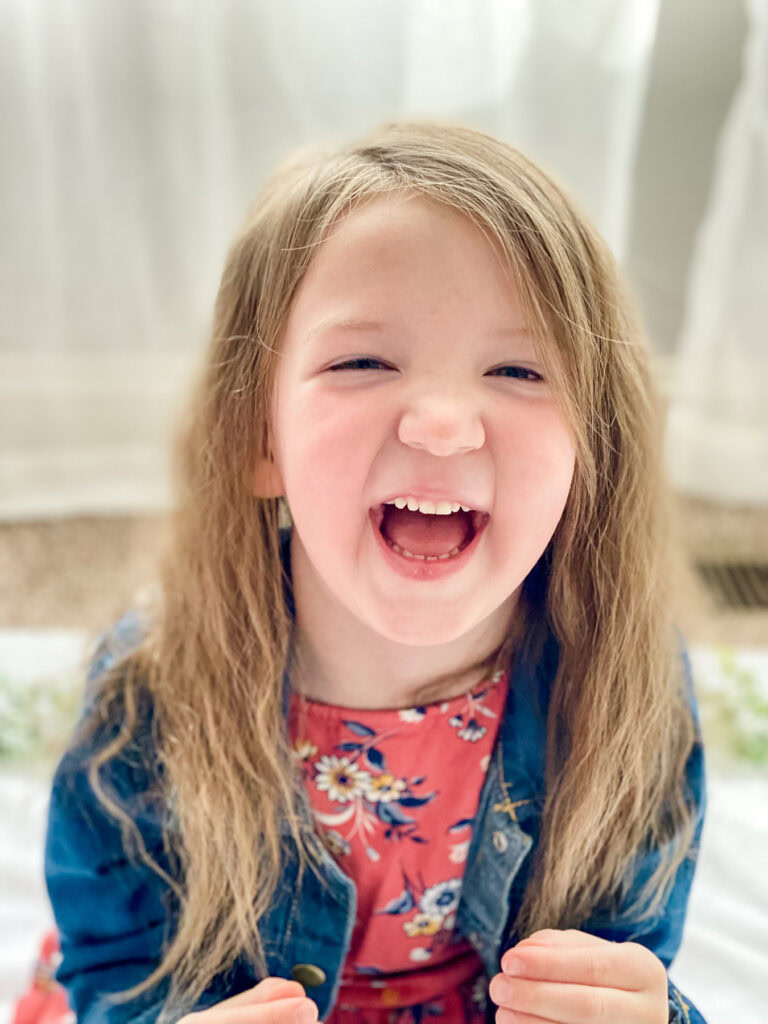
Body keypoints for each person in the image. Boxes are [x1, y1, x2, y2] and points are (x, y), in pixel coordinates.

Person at [43, 121, 708, 1024]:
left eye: (518, 368)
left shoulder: (626, 686)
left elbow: (628, 958)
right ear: (256, 436)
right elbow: (121, 970)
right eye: (362, 361)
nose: (441, 422)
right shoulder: (148, 692)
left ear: (592, 451)